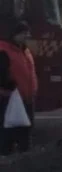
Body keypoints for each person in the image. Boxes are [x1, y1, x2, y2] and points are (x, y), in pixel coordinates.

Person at [0, 21, 37, 155]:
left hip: (26, 98)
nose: (26, 35)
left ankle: (25, 155)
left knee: (26, 128)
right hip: (9, 98)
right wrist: (8, 85)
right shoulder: (4, 50)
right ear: (14, 34)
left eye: (27, 33)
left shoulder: (24, 50)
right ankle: (5, 155)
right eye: (23, 33)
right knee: (7, 129)